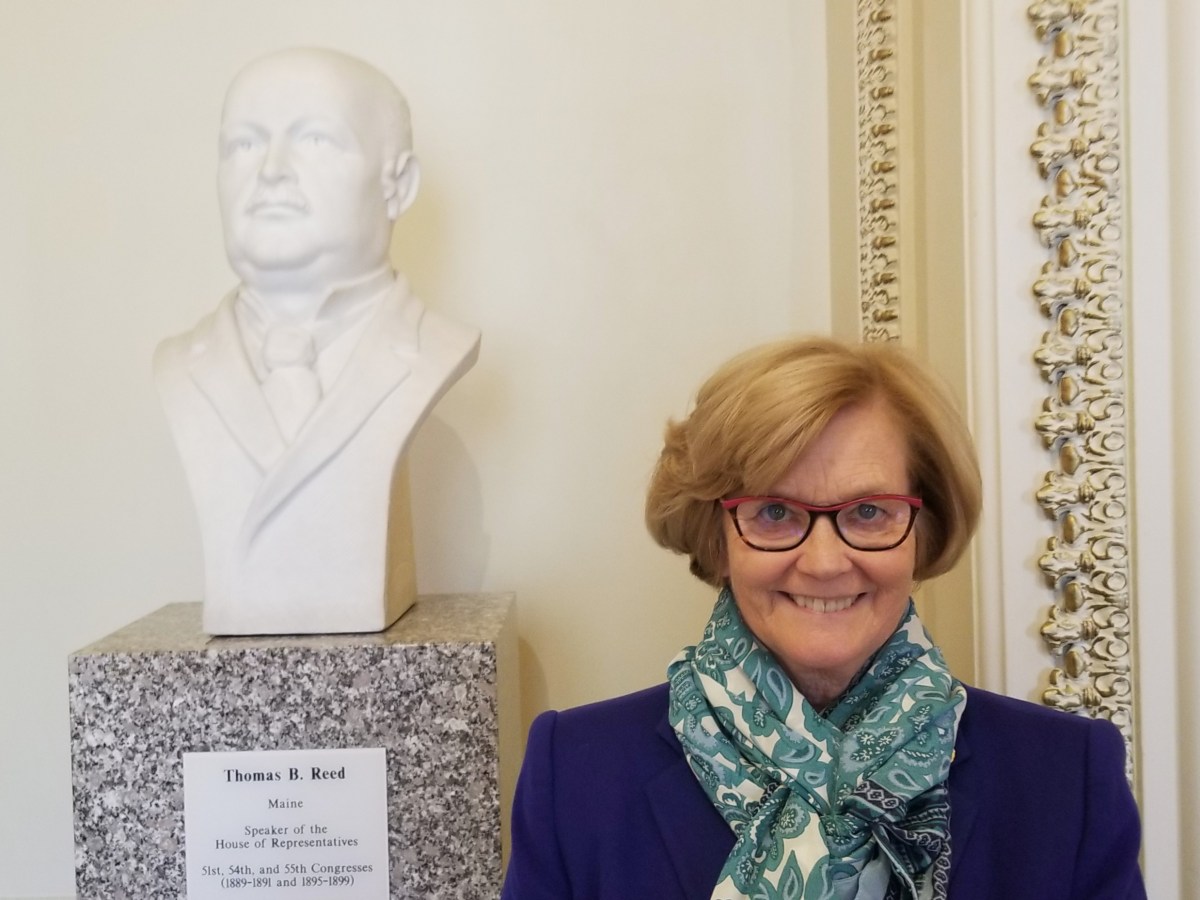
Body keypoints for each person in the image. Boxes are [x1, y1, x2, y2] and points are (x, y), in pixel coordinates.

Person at [502, 337, 1145, 899]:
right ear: (715, 537)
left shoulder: (1067, 779)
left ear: (924, 531)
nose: (824, 562)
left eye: (868, 512)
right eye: (775, 513)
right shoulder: (578, 775)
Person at [154, 48, 480, 635]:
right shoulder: (180, 365)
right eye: (244, 144)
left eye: (314, 140)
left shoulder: (435, 348)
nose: (271, 170)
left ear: (398, 184)